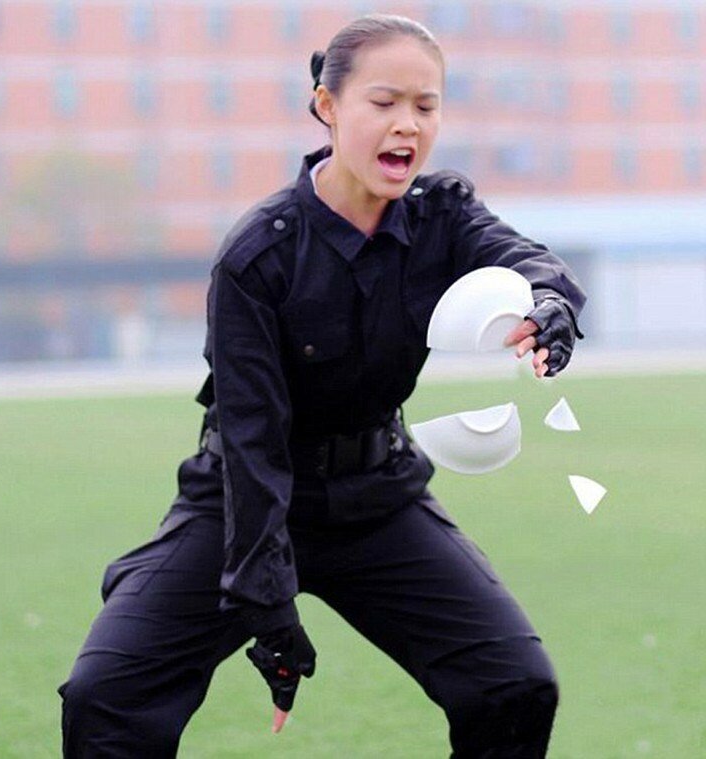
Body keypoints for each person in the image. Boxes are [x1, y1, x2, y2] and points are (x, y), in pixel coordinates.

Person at [59, 13, 586, 758]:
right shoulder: (257, 257)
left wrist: (550, 303)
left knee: (515, 684)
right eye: (384, 102)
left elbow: (522, 258)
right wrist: (266, 602)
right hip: (243, 500)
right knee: (105, 698)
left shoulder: (443, 216)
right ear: (327, 105)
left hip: (379, 498)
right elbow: (251, 444)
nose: (407, 123)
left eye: (425, 105)